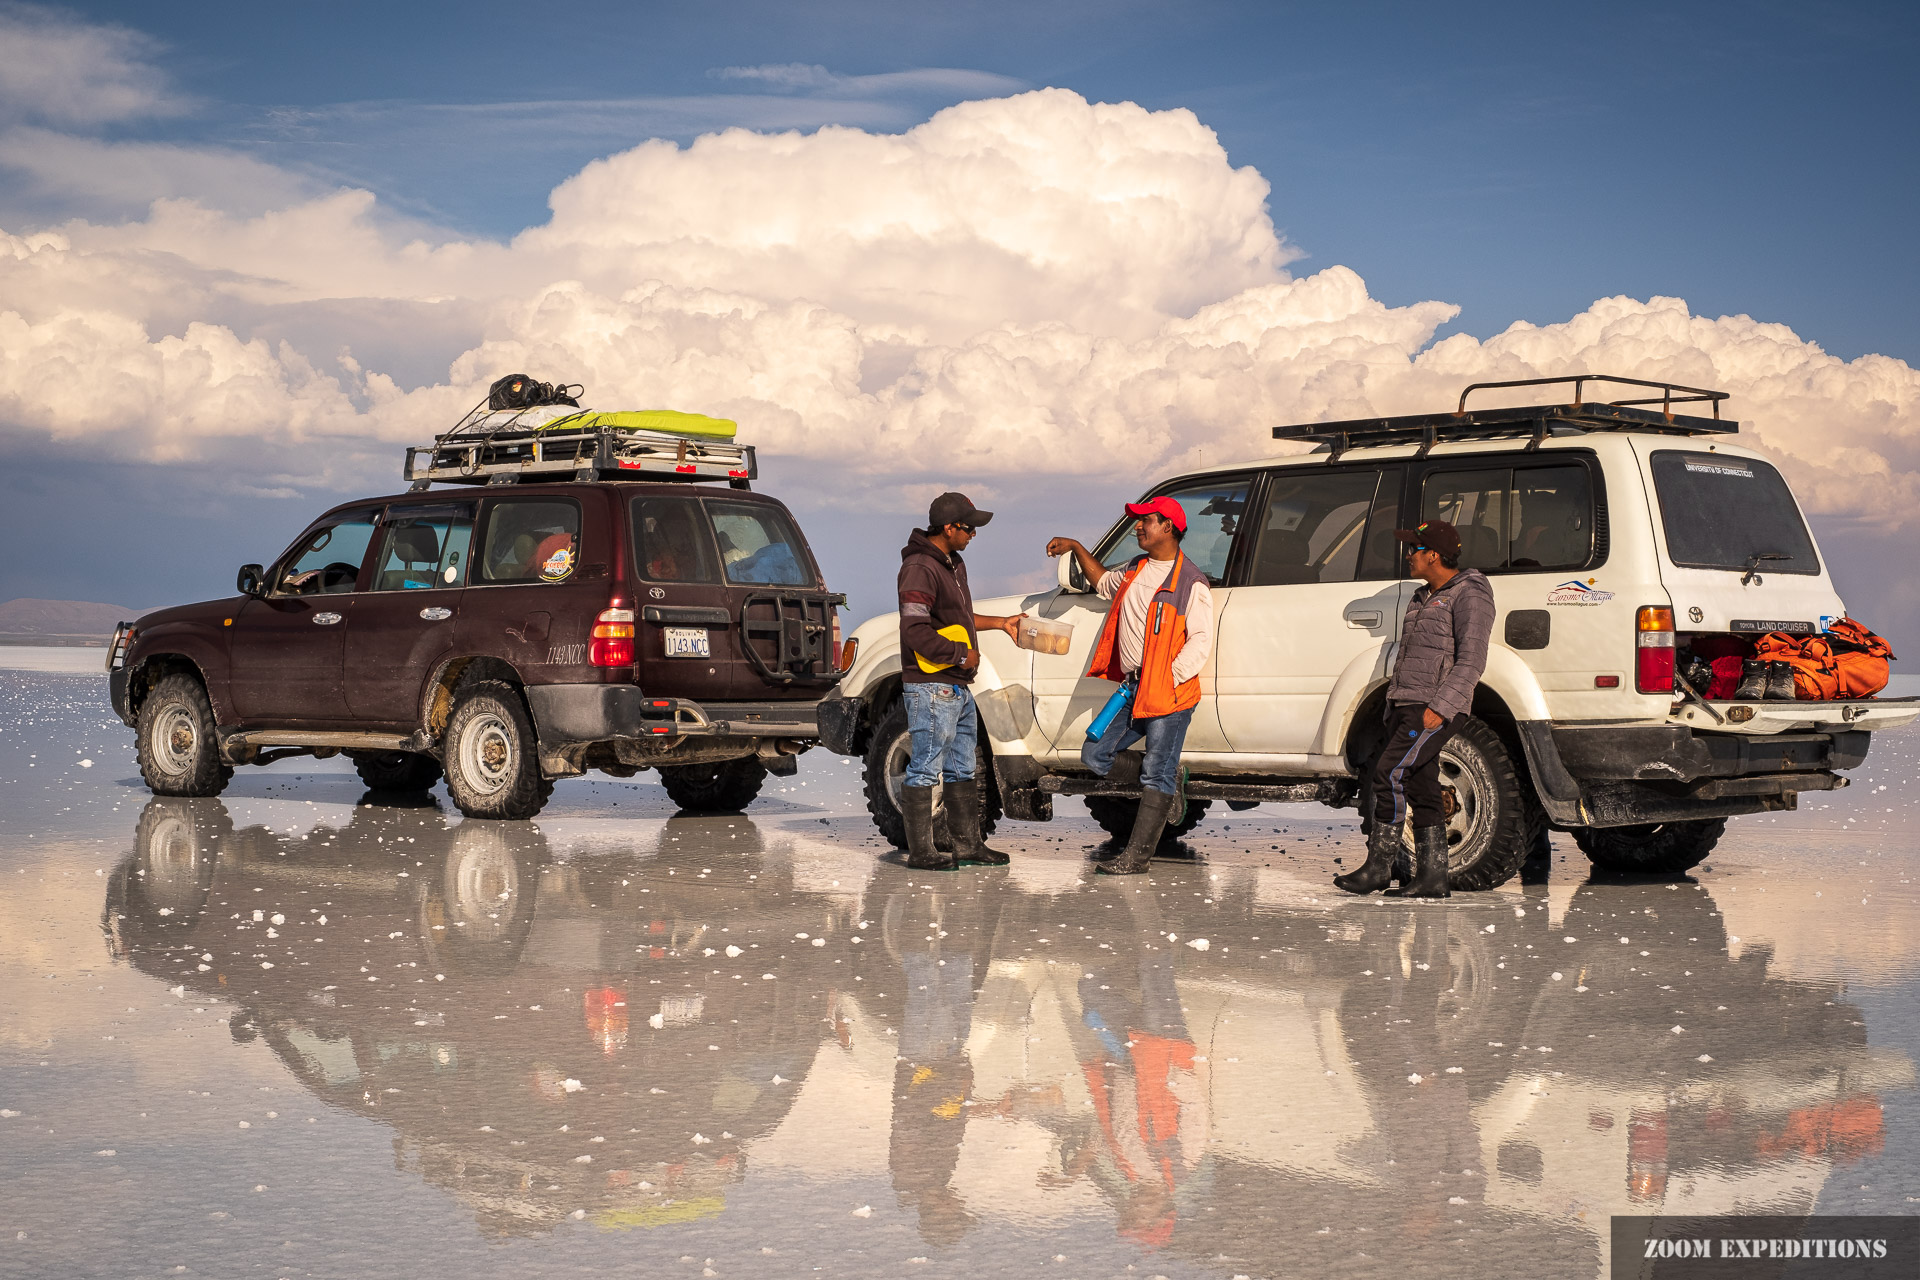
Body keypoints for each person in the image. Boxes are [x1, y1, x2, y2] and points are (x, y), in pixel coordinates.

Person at [1046, 496, 1214, 875]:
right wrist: (1075, 547)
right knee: (1094, 754)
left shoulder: (1191, 583)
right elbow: (1103, 582)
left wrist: (1167, 679)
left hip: (1169, 692)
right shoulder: (1136, 569)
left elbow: (1200, 642)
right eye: (1137, 521)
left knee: (1155, 769)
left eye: (1145, 521)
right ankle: (1167, 777)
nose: (1138, 527)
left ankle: (1136, 858)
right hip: (1133, 688)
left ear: (1168, 526)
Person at [1335, 519, 1495, 899]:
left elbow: (1471, 662)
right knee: (1420, 783)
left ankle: (1379, 868)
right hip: (1408, 702)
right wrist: (1393, 703)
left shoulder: (1469, 595)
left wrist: (1440, 708)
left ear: (1434, 555)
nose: (1409, 556)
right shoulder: (1422, 596)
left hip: (1434, 706)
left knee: (1387, 774)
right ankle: (1433, 877)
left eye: (1415, 550)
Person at [896, 492, 1027, 871]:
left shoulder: (953, 564)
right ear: (949, 528)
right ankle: (921, 853)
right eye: (968, 528)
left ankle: (968, 845)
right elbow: (915, 630)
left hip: (957, 686)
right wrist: (958, 654)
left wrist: (1001, 624)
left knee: (962, 767)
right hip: (932, 685)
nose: (973, 534)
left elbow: (962, 616)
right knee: (924, 767)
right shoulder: (920, 567)